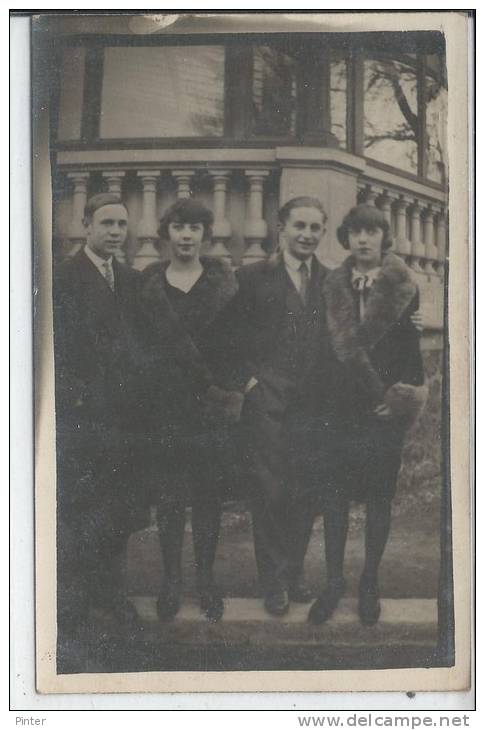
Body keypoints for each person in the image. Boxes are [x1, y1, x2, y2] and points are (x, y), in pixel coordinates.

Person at [53, 193, 224, 634]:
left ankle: (114, 594)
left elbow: (145, 343)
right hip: (84, 415)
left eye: (121, 225)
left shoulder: (132, 280)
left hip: (127, 416)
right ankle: (75, 598)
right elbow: (50, 350)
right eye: (106, 223)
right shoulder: (63, 278)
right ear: (86, 225)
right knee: (82, 508)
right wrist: (74, 398)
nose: (114, 232)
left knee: (119, 510)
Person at [308, 204, 427, 626]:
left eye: (371, 232)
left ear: (383, 237)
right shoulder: (330, 284)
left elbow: (411, 354)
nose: (363, 240)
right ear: (346, 238)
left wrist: (397, 400)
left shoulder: (404, 287)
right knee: (334, 499)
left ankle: (369, 582)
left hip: (381, 410)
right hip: (339, 408)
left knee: (379, 497)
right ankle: (334, 582)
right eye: (356, 232)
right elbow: (324, 352)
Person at [219, 196, 334, 616]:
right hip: (266, 402)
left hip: (314, 404)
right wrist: (248, 383)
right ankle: (274, 582)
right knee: (269, 491)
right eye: (298, 226)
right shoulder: (252, 278)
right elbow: (225, 339)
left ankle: (296, 572)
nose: (306, 235)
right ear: (281, 228)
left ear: (323, 232)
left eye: (314, 228)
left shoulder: (330, 280)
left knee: (305, 489)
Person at [140, 199, 242, 622]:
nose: (185, 236)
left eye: (194, 228)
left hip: (209, 410)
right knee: (168, 500)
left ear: (205, 235)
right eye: (179, 227)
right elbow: (140, 348)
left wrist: (228, 391)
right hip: (165, 410)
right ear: (166, 233)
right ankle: (171, 582)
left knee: (207, 500)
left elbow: (239, 346)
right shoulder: (149, 286)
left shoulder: (225, 285)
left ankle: (205, 581)